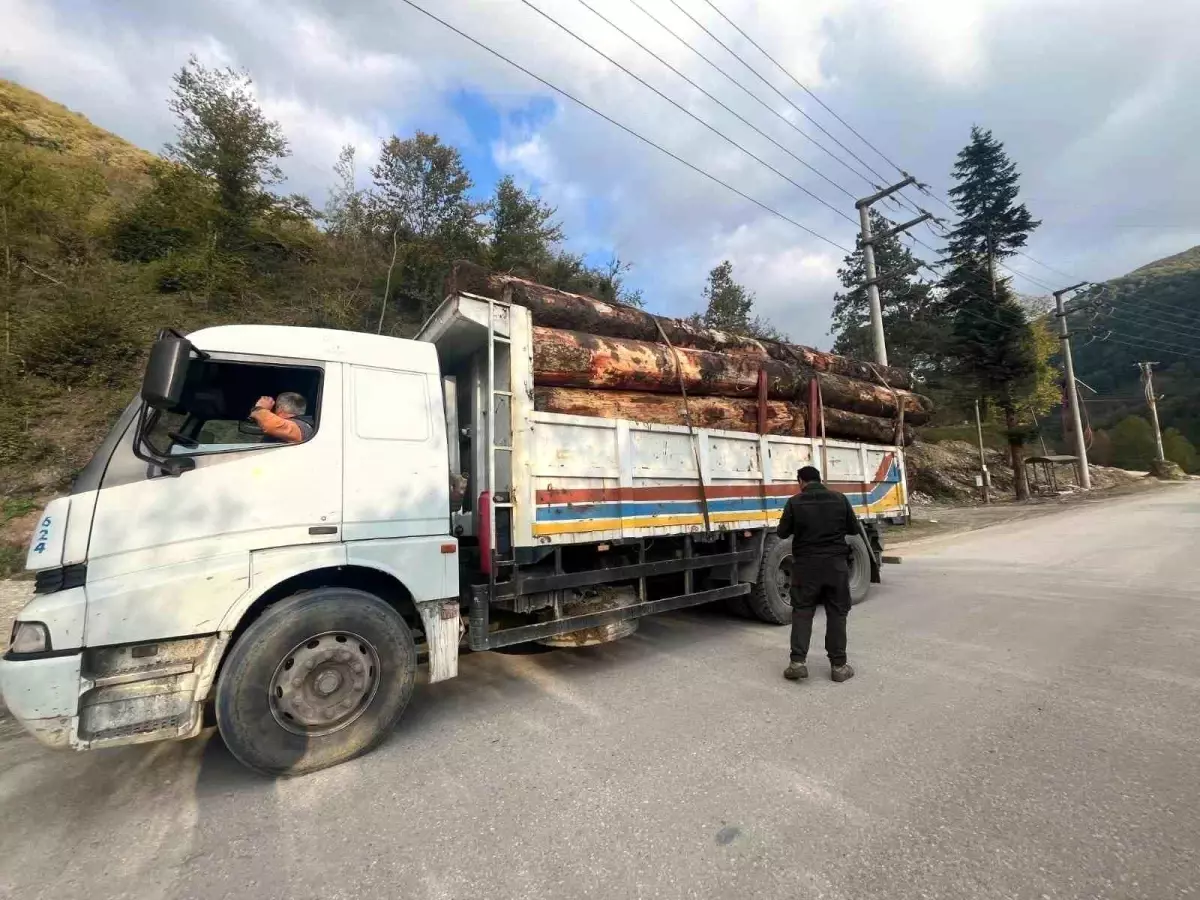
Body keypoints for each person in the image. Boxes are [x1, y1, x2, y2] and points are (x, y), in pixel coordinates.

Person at [776, 465, 860, 683]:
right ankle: (839, 667)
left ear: (801, 481)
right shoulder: (840, 499)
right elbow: (854, 529)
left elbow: (782, 532)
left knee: (802, 611)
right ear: (819, 479)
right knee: (837, 614)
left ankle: (797, 663)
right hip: (835, 567)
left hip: (806, 567)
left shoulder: (795, 502)